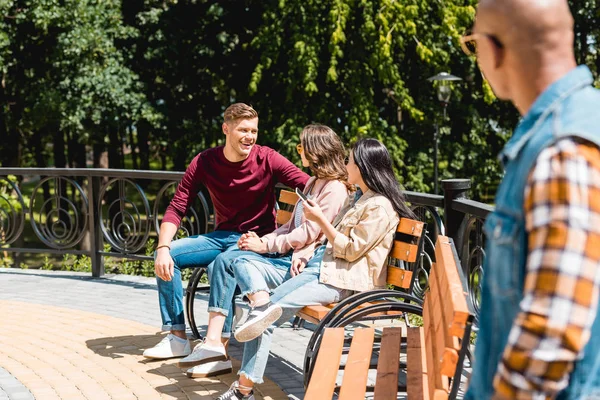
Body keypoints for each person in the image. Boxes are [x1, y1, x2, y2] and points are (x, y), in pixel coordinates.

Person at [460, 1, 600, 398]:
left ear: (493, 48)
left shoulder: (563, 150)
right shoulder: (576, 128)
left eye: (473, 46)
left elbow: (550, 337)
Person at [216, 138, 416, 400]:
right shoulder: (358, 198)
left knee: (264, 315)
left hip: (345, 284)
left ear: (364, 167)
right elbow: (329, 242)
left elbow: (351, 249)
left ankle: (243, 390)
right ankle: (244, 385)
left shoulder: (379, 206)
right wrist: (308, 250)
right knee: (263, 313)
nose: (346, 165)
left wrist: (320, 219)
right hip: (323, 270)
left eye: (351, 161)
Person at [177, 124, 353, 377]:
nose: (298, 150)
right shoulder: (314, 182)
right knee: (221, 262)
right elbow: (290, 226)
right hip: (289, 256)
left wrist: (265, 245)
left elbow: (308, 233)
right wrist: (262, 239)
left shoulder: (334, 189)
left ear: (316, 151)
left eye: (301, 146)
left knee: (228, 262)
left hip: (302, 266)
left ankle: (224, 338)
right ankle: (216, 344)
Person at [143, 103, 310, 359]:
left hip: (255, 242)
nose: (249, 137)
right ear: (226, 129)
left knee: (221, 264)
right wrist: (163, 247)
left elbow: (309, 186)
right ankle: (177, 338)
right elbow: (177, 205)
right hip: (221, 237)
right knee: (168, 256)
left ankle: (218, 346)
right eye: (243, 130)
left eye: (253, 131)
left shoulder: (267, 157)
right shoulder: (205, 161)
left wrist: (307, 242)